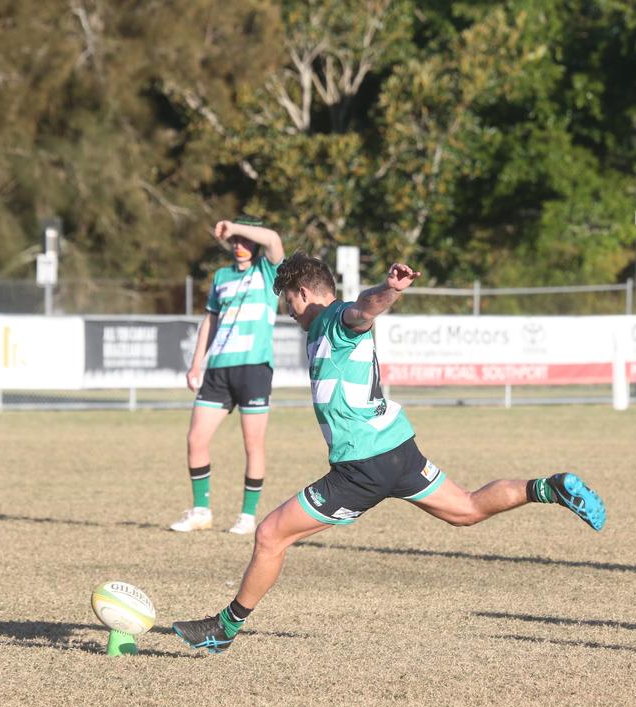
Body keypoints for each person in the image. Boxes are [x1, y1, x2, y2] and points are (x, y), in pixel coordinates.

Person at [173, 255, 606, 653]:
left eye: (288, 300)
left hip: (363, 467)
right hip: (399, 449)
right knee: (467, 509)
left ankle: (223, 629)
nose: (287, 311)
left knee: (271, 535)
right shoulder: (326, 324)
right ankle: (548, 488)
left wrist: (391, 291)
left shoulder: (333, 319)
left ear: (304, 292)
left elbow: (363, 310)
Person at [169, 216, 284, 536]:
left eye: (244, 239)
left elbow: (273, 238)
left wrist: (234, 227)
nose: (238, 245)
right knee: (196, 439)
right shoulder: (221, 276)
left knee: (253, 445)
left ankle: (247, 516)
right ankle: (201, 511)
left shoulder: (268, 271)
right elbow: (210, 321)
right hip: (219, 369)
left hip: (254, 368)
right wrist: (196, 364)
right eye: (234, 241)